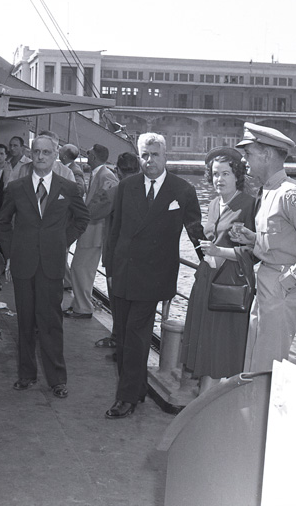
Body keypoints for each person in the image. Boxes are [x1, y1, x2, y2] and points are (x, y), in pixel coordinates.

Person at [106, 132, 204, 418]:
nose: (150, 160)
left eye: (155, 155)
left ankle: (126, 397)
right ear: (139, 158)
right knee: (123, 336)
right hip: (124, 272)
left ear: (165, 156)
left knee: (136, 336)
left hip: (154, 275)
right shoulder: (126, 187)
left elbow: (195, 231)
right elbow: (115, 231)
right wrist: (109, 269)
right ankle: (136, 389)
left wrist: (212, 262)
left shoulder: (182, 190)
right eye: (145, 155)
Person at [0, 134, 89, 399]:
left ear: (55, 155)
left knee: (51, 322)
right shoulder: (16, 187)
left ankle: (57, 379)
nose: (40, 157)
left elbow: (82, 219)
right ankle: (26, 374)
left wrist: (62, 241)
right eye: (36, 152)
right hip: (23, 264)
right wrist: (11, 252)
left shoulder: (67, 188)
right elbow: (3, 223)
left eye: (46, 152)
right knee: (25, 321)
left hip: (51, 264)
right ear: (31, 153)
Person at [235, 122, 296, 373]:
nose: (244, 160)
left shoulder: (290, 194)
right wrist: (254, 239)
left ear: (266, 154)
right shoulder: (268, 191)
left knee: (267, 367)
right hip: (267, 282)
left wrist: (288, 282)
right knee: (254, 362)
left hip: (281, 287)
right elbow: (281, 241)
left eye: (248, 154)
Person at [180, 147, 256, 390]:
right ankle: (206, 399)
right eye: (215, 174)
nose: (219, 179)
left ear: (237, 176)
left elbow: (256, 252)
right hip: (206, 279)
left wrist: (219, 251)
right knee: (206, 346)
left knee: (220, 349)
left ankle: (211, 401)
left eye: (225, 174)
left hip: (230, 286)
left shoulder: (249, 205)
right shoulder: (214, 204)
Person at [64, 144, 118, 319]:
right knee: (79, 269)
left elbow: (106, 204)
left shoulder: (106, 176)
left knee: (81, 269)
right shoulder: (99, 174)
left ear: (94, 157)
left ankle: (84, 307)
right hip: (89, 230)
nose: (87, 156)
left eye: (89, 154)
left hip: (95, 231)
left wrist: (86, 215)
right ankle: (79, 304)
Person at [96, 151, 141, 350]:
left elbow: (93, 212)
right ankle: (128, 342)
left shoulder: (116, 190)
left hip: (116, 257)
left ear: (118, 171)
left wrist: (103, 191)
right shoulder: (148, 191)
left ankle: (118, 339)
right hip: (140, 258)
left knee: (117, 301)